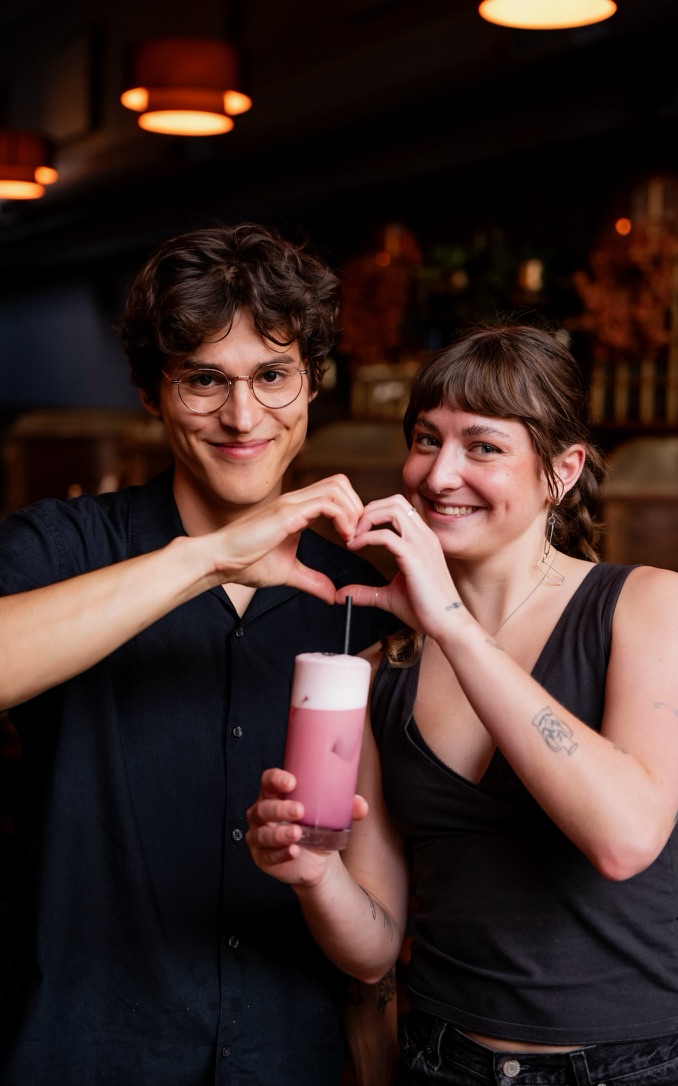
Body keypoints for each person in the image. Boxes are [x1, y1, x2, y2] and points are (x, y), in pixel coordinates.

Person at [246, 320, 678, 1085]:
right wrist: (312, 874)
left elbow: (626, 837)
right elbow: (373, 946)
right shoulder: (377, 669)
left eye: (484, 446)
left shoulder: (649, 606)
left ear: (562, 471)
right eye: (427, 439)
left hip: (637, 1064)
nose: (437, 476)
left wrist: (453, 627)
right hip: (445, 1059)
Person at [0, 222, 398, 1086]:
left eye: (273, 377)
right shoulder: (62, 546)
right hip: (78, 1052)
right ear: (152, 391)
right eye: (204, 380)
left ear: (313, 384)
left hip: (285, 1058)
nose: (243, 415)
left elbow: (371, 926)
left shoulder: (355, 598)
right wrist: (210, 558)